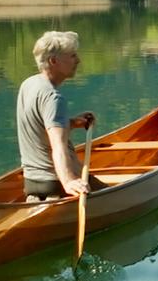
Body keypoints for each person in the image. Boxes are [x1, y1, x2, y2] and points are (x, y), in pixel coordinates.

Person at [16, 31, 104, 203]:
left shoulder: (29, 84)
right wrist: (69, 181)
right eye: (72, 56)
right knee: (115, 195)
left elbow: (39, 128)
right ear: (53, 61)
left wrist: (71, 123)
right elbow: (58, 145)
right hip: (55, 182)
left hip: (32, 182)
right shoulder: (53, 98)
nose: (78, 60)